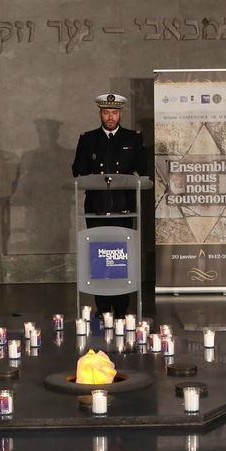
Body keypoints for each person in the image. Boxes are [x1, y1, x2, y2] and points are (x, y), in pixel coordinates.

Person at [71, 93, 144, 316]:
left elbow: (143, 170)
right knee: (99, 255)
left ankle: (122, 308)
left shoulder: (133, 138)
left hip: (124, 206)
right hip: (97, 207)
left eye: (114, 113)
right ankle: (102, 308)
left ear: (120, 113)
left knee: (122, 256)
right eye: (106, 113)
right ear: (100, 114)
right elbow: (78, 171)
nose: (110, 117)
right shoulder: (88, 138)